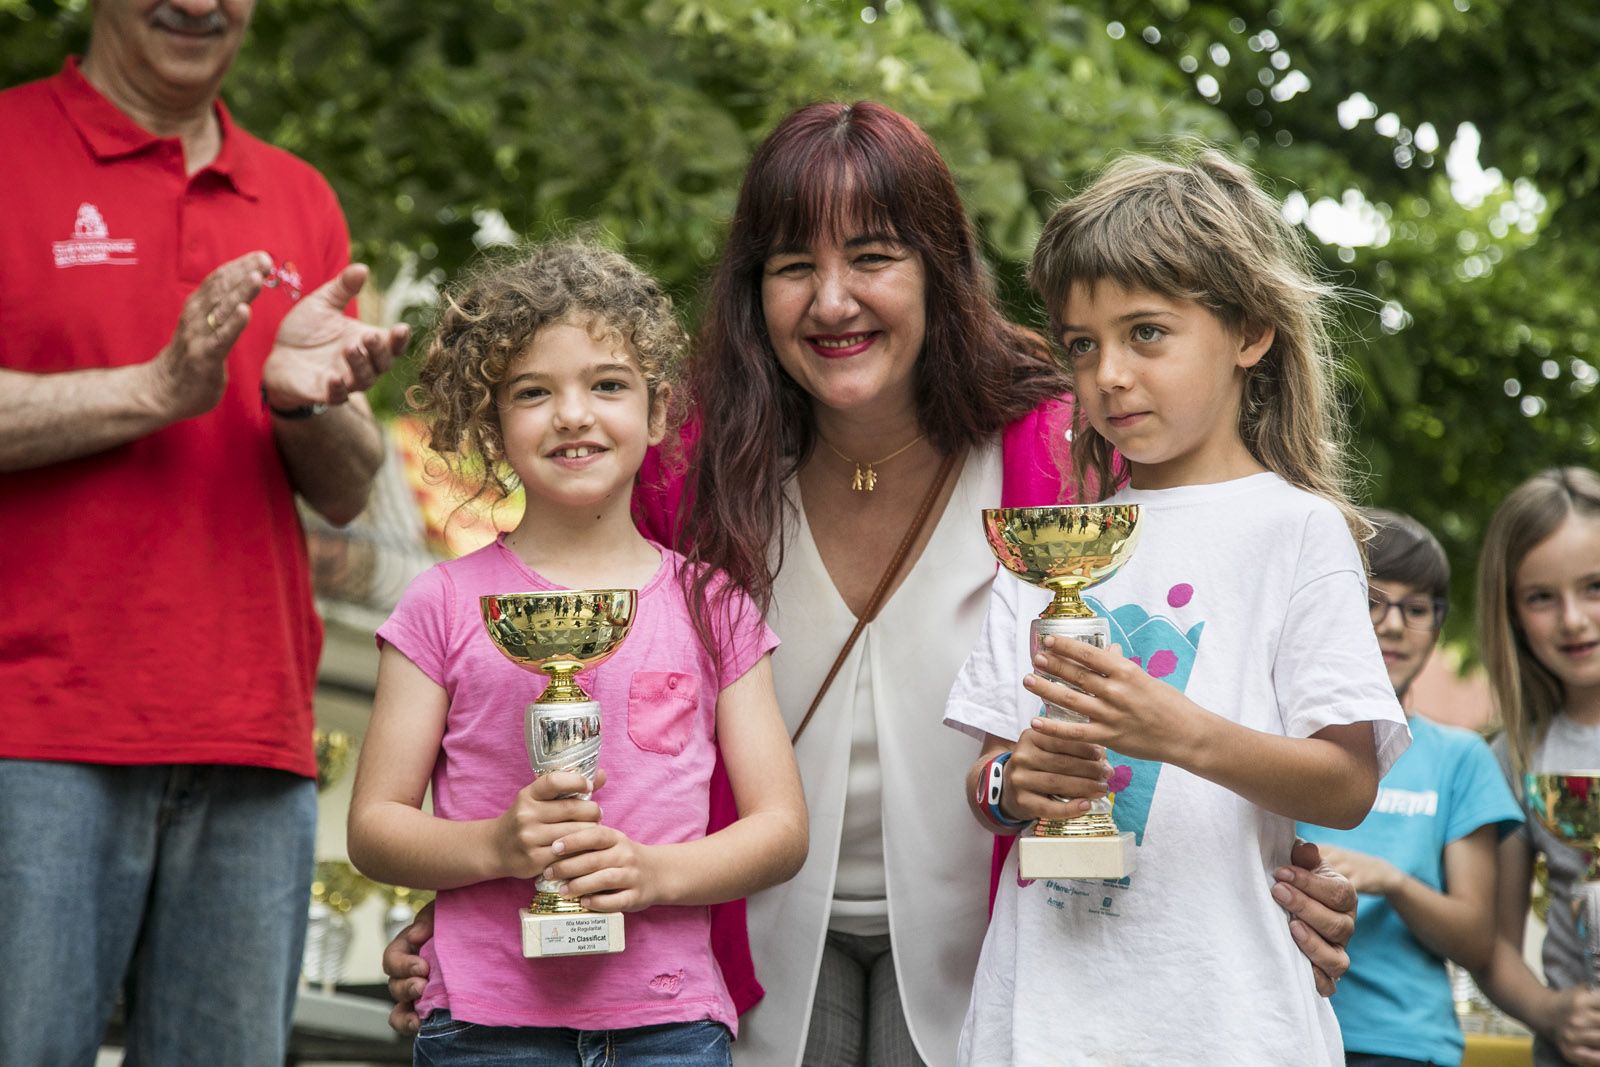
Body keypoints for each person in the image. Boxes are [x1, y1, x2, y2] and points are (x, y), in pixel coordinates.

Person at [384, 103, 1361, 1067]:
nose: (832, 300)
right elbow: (573, 683)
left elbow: (1217, 634)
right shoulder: (683, 465)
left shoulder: (1066, 446)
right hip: (726, 945)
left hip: (1008, 946)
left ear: (939, 268)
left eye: (872, 257)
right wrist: (489, 901)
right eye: (792, 266)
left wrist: (1288, 875)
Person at [0, 2, 411, 1063]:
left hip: (252, 741)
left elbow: (347, 491)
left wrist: (304, 403)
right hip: (31, 734)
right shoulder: (9, 147)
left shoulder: (300, 196)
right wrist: (154, 388)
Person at [943, 150, 1411, 1066]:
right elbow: (989, 778)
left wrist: (1180, 732)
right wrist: (1013, 786)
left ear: (1250, 332)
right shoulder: (1050, 541)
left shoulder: (1298, 532)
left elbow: (1348, 784)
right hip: (1040, 1016)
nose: (1109, 374)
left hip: (1230, 1017)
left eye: (1146, 333)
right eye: (1083, 345)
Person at [346, 239, 808, 1064]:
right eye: (533, 391)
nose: (572, 413)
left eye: (607, 384)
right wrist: (495, 847)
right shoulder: (441, 603)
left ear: (658, 411)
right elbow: (375, 825)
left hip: (671, 1021)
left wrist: (654, 873)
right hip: (484, 1025)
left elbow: (780, 828)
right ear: (491, 423)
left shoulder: (715, 607)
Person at [1297, 509, 1521, 1067]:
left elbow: (1478, 942)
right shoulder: (1271, 742)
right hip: (1281, 1028)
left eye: (1416, 608)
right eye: (1372, 601)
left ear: (1438, 625)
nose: (1394, 625)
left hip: (1402, 1045)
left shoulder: (1460, 757)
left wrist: (1392, 881)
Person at [1473, 468, 1600, 1067]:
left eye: (1595, 586)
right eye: (1542, 597)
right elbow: (1494, 948)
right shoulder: (1515, 757)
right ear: (1513, 614)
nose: (1572, 619)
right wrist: (1552, 1013)